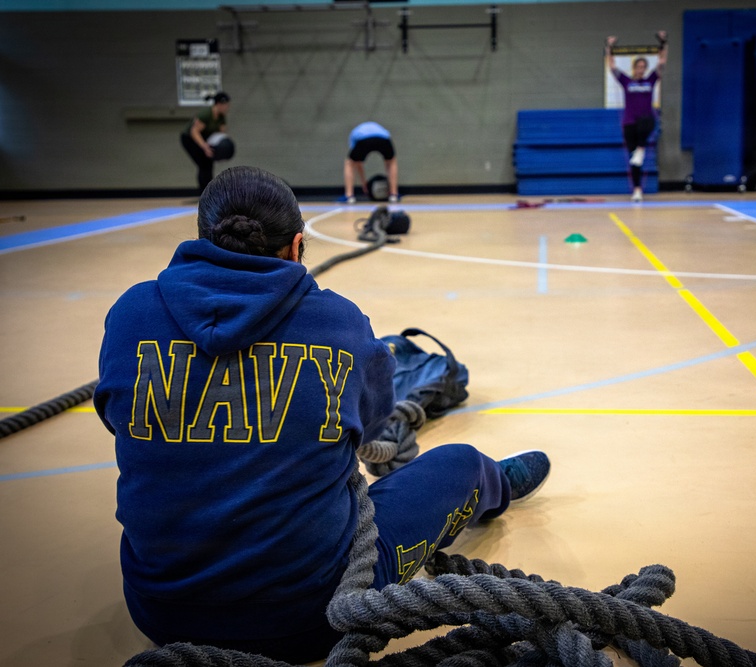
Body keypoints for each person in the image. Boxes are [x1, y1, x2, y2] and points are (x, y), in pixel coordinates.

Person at [93, 165, 550, 664]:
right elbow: (373, 426)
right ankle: (496, 486)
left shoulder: (129, 313)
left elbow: (119, 422)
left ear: (203, 238)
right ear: (295, 246)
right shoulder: (339, 321)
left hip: (161, 615)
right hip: (315, 617)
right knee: (461, 464)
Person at [606, 33, 667, 203]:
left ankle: (641, 147)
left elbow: (661, 63)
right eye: (638, 67)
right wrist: (609, 47)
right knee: (635, 162)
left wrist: (663, 43)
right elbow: (611, 66)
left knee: (649, 120)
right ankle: (637, 190)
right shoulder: (626, 81)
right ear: (634, 68)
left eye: (643, 67)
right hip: (629, 123)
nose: (641, 69)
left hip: (645, 120)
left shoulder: (650, 81)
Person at [180, 91, 231, 195]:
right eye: (226, 105)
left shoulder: (221, 117)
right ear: (219, 104)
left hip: (205, 139)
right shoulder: (206, 114)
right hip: (190, 139)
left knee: (208, 163)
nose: (227, 108)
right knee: (204, 164)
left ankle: (209, 192)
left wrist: (221, 152)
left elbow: (221, 134)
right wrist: (204, 147)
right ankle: (204, 193)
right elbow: (194, 132)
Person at [344, 121, 399, 203]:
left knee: (349, 163)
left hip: (363, 140)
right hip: (384, 139)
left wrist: (363, 183)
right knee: (391, 161)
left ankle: (349, 196)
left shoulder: (354, 133)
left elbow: (358, 163)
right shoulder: (380, 128)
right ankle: (393, 195)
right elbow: (388, 136)